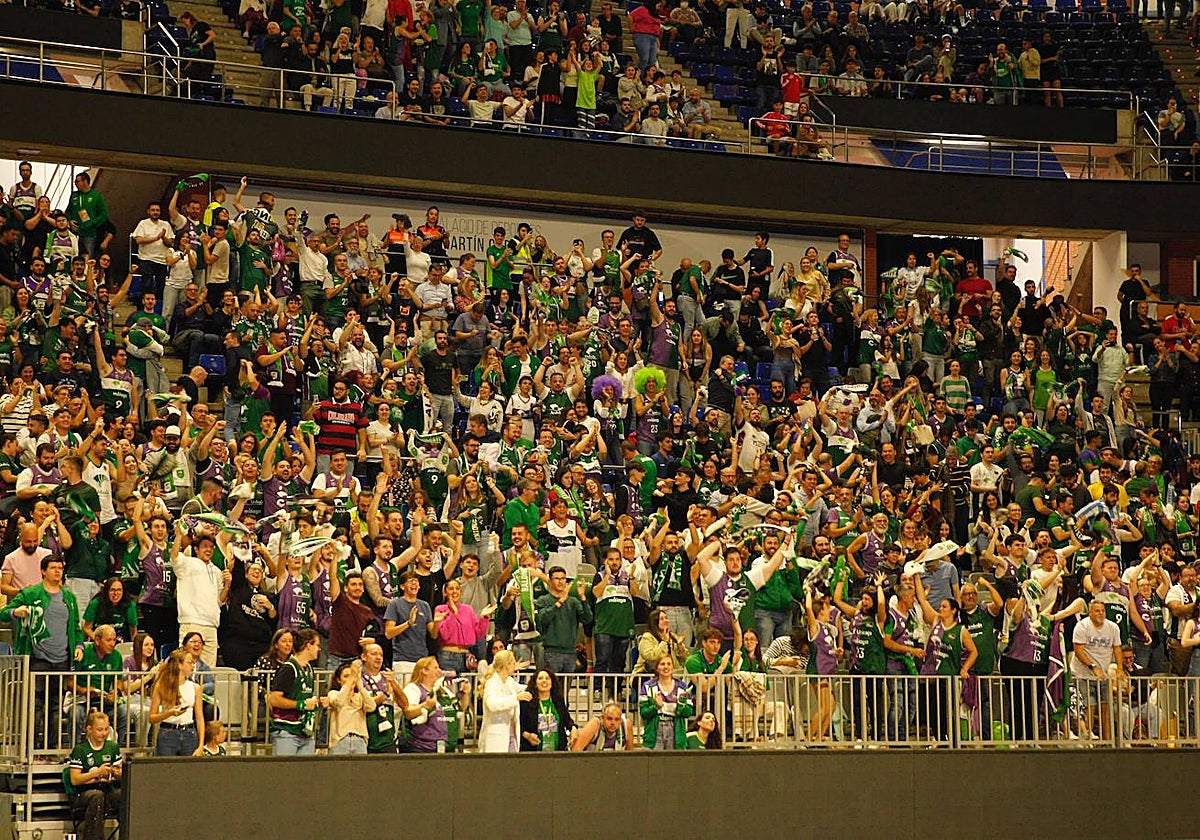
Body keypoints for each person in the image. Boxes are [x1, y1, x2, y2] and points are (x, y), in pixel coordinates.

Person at [268, 627, 327, 755]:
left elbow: (304, 699)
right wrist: (300, 704)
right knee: (285, 768)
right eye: (317, 645)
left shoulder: (309, 669)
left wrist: (318, 702)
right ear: (308, 645)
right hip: (287, 732)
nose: (319, 649)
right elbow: (274, 699)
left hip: (305, 731)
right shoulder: (288, 669)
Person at [66, 710, 123, 840]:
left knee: (125, 795)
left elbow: (120, 776)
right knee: (97, 796)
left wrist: (118, 773)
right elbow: (75, 780)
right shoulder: (80, 749)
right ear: (89, 729)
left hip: (107, 790)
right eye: (99, 730)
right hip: (84, 793)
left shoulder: (112, 747)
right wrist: (97, 773)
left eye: (106, 729)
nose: (104, 733)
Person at [147, 649, 205, 756]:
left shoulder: (196, 688)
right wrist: (169, 713)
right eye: (190, 662)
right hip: (167, 733)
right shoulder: (161, 686)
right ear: (179, 665)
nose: (193, 665)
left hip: (189, 733)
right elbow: (152, 717)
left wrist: (201, 745)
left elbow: (200, 718)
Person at [479, 649, 532, 752]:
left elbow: (523, 688)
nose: (515, 665)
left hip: (510, 732)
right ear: (506, 665)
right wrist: (516, 698)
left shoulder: (509, 681)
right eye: (513, 663)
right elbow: (492, 704)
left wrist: (537, 684)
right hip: (495, 734)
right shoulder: (492, 683)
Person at [639, 654, 694, 749]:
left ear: (673, 667)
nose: (666, 667)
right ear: (657, 668)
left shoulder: (683, 687)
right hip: (654, 731)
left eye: (669, 664)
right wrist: (655, 707)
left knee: (672, 758)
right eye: (662, 664)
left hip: (675, 730)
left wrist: (681, 706)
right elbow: (643, 713)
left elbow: (688, 712)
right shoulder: (648, 686)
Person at [326, 658, 376, 755]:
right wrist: (350, 680)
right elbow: (338, 702)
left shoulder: (360, 696)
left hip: (359, 741)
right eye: (346, 676)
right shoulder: (334, 693)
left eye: (352, 676)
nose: (351, 679)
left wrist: (360, 686)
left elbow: (372, 706)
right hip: (340, 741)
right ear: (339, 680)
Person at [519, 667, 574, 751]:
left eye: (547, 678)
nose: (544, 681)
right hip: (533, 752)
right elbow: (519, 726)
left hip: (558, 752)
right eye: (540, 678)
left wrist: (573, 729)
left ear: (552, 683)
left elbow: (568, 721)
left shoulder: (558, 701)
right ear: (535, 684)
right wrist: (528, 736)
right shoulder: (526, 703)